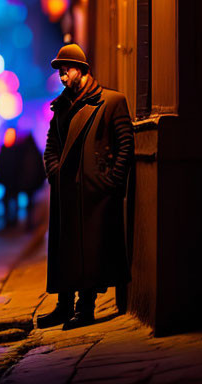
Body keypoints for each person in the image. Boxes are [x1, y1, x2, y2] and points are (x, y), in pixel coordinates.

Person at [36, 43, 134, 330]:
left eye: (67, 71)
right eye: (61, 73)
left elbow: (125, 143)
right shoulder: (61, 106)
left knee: (91, 251)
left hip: (94, 192)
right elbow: (52, 145)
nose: (63, 77)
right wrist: (54, 172)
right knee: (65, 251)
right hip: (67, 190)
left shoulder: (110, 101)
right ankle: (64, 306)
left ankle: (85, 307)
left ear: (81, 70)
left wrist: (111, 180)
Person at [0, 131, 24, 227]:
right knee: (9, 200)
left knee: (11, 200)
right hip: (9, 180)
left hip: (12, 180)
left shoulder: (15, 150)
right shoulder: (13, 150)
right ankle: (9, 220)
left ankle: (12, 220)